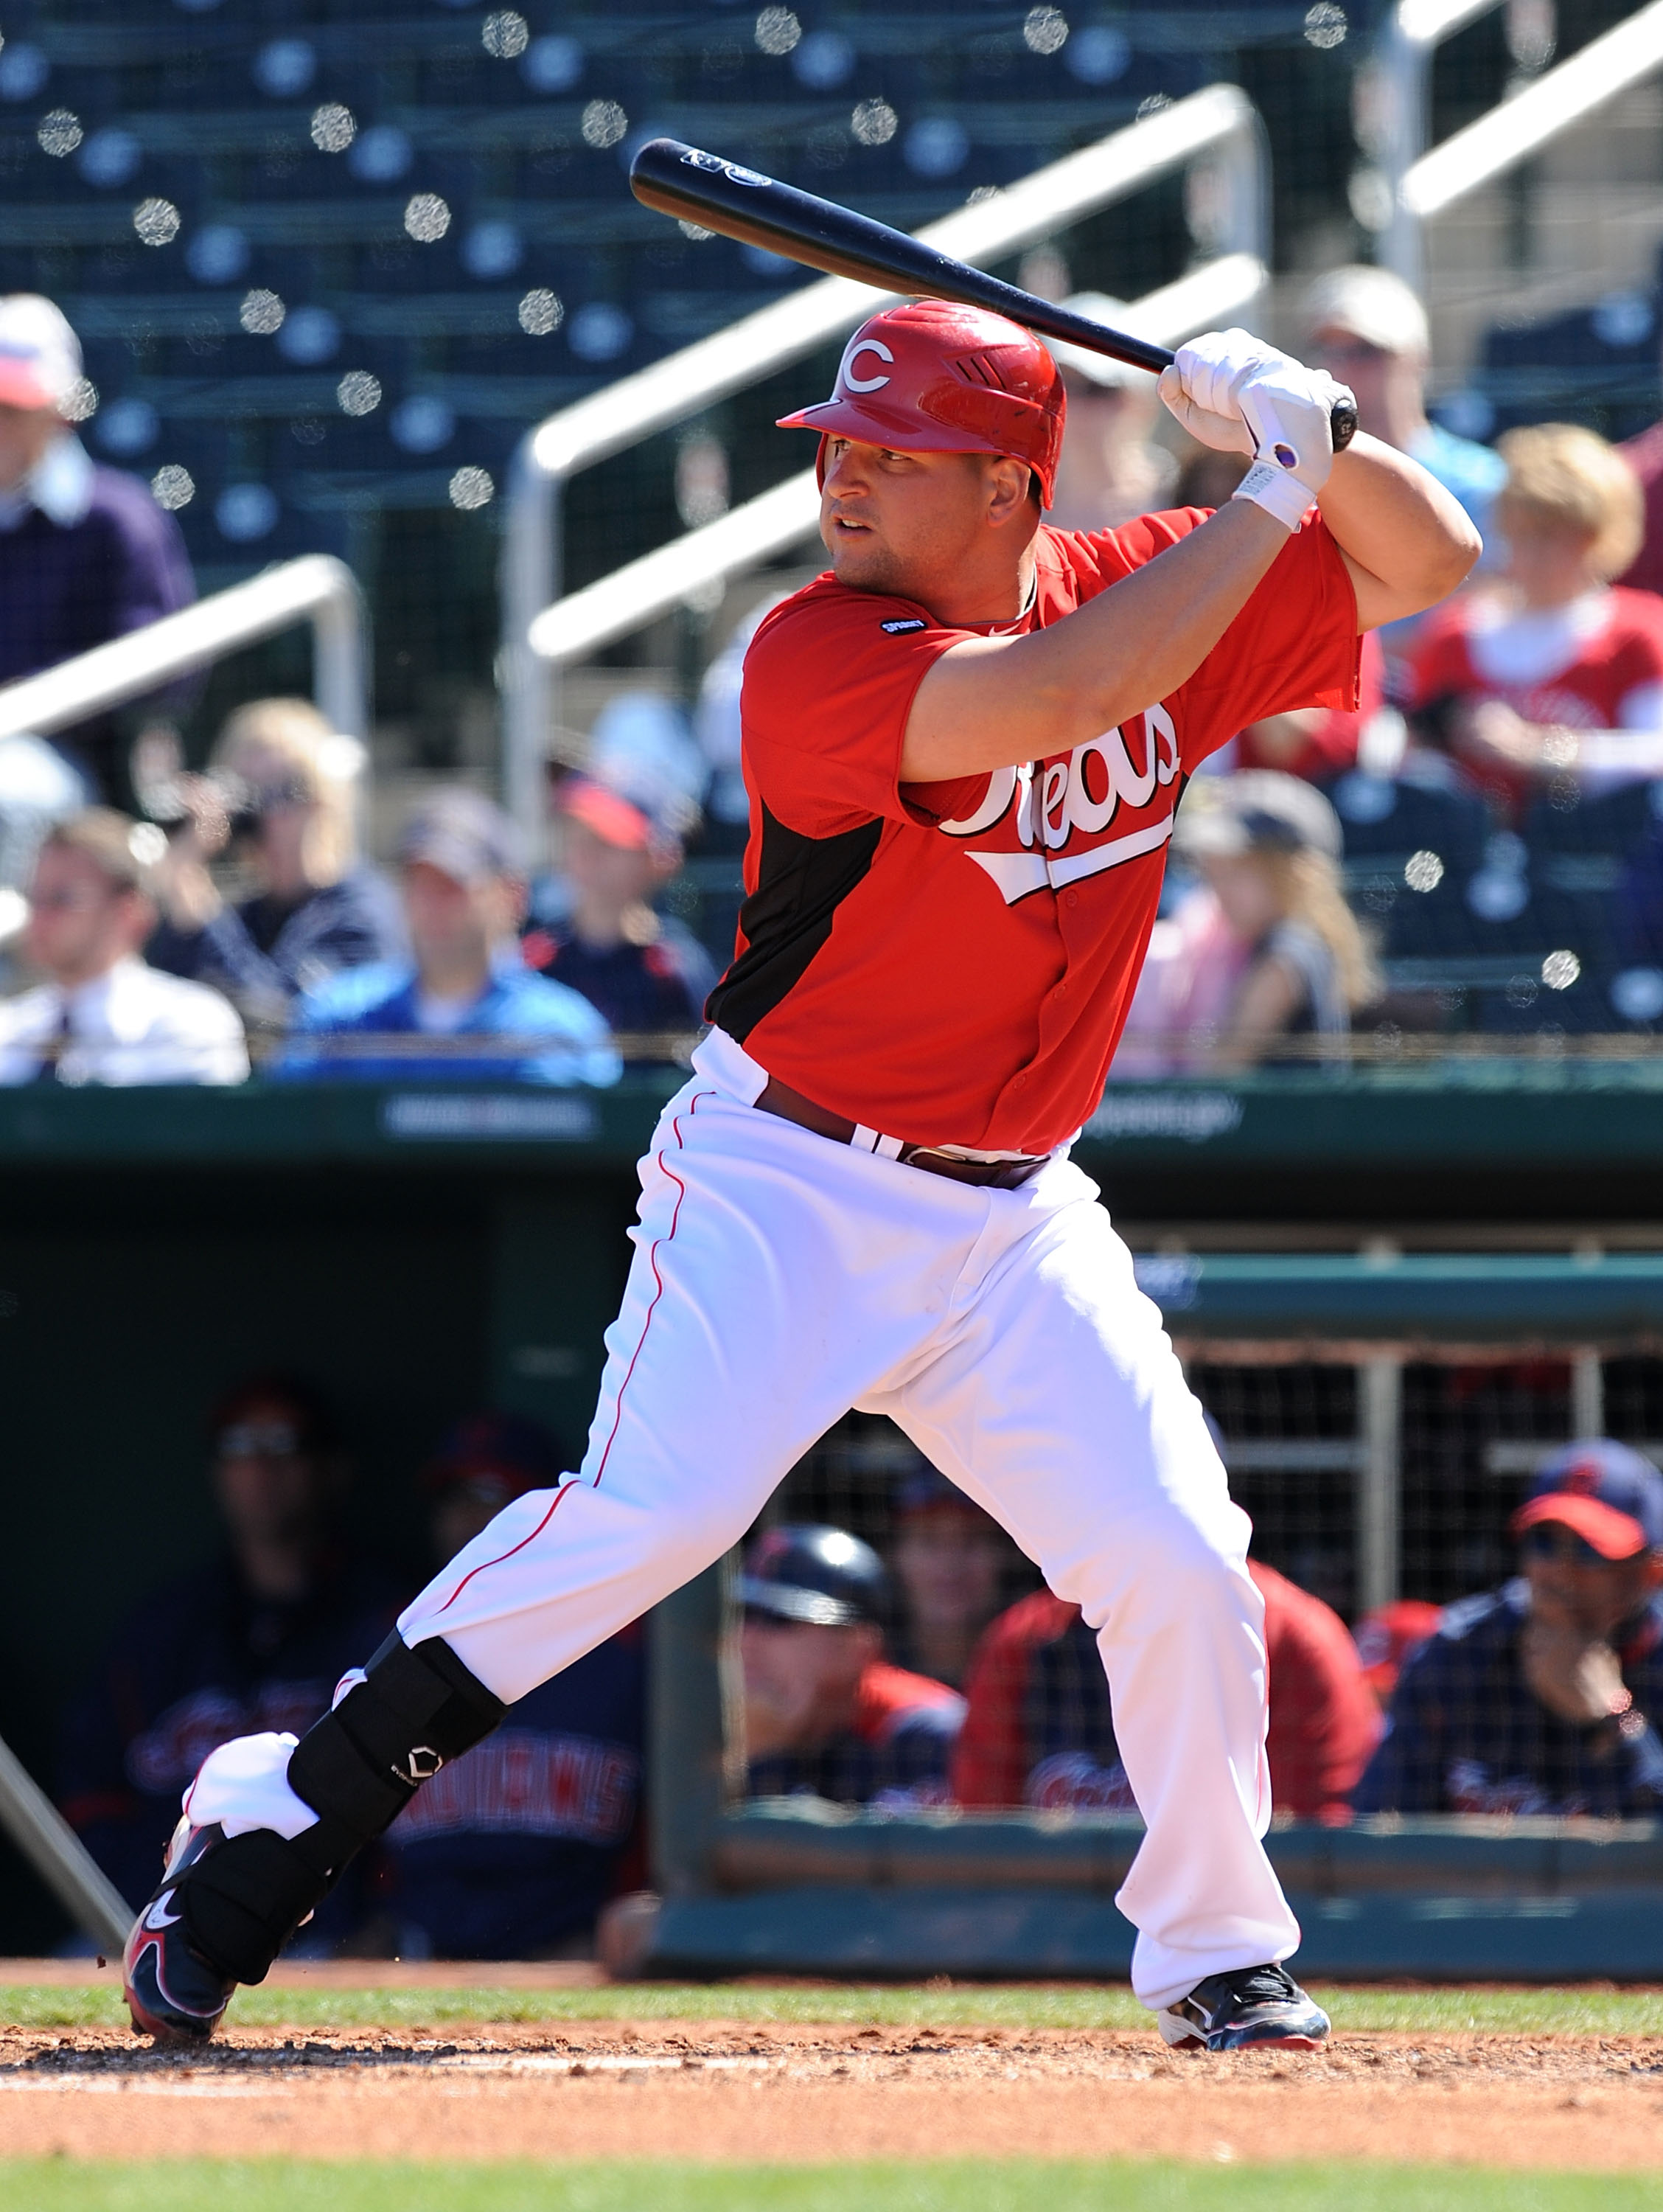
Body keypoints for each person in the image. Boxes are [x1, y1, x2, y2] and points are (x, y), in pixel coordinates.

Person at [122, 300, 1475, 2055]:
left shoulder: (1151, 575)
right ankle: (284, 1811)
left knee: (1173, 1552)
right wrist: (1271, 492)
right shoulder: (813, 651)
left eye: (891, 453)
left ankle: (1217, 1945)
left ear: (1011, 482)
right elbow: (1071, 693)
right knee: (652, 1522)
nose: (842, 477)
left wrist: (1317, 433)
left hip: (1010, 1209)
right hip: (790, 1176)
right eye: (836, 445)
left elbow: (1428, 558)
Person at [58, 1377, 405, 1938]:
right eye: (241, 1448)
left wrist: (383, 1916)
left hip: (328, 1940)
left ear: (333, 1468)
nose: (262, 1470)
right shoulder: (161, 1633)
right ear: (216, 1472)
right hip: (158, 1921)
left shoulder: (389, 1622)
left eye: (285, 1446)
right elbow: (93, 1791)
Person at [373, 1415, 645, 1960]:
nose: (467, 1519)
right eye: (455, 1497)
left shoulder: (624, 1648)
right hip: (415, 1956)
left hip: (579, 1953)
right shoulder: (390, 1646)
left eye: (492, 1496)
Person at [1354, 1443, 1663, 1817]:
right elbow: (1380, 1826)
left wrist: (1610, 1720)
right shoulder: (1457, 1653)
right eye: (1545, 1542)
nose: (1559, 1572)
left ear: (1647, 1571)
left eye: (1589, 1551)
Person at [953, 1559, 1379, 1823]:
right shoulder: (1023, 1642)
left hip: (1229, 1946)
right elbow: (984, 1838)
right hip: (1058, 1939)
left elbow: (1318, 1848)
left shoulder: (1292, 1636)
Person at [274, 788, 620, 1086]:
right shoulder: (339, 1016)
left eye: (451, 887)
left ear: (511, 897)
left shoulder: (559, 1031)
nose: (430, 905)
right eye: (417, 885)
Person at [1407, 423, 1663, 819]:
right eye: (1527, 533)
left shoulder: (1638, 632)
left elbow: (1655, 752)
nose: (1541, 553)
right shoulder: (1454, 634)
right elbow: (1412, 760)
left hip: (1593, 859)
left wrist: (1537, 750)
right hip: (1468, 860)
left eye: (1562, 536)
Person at [0, 295, 195, 804]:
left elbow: (164, 675)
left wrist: (30, 696)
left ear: (61, 411)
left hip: (82, 780)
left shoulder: (118, 518)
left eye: (13, 409)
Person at [147, 699, 405, 1029]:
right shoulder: (249, 916)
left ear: (321, 798)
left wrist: (198, 910)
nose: (263, 814)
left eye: (281, 792)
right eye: (248, 796)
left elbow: (284, 1021)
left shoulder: (361, 913)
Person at [1112, 773, 1376, 1074]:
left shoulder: (1286, 955)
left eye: (1237, 872)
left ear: (1293, 875)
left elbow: (1226, 1067)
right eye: (1215, 874)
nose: (1220, 892)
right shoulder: (1260, 945)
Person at [0, 809, 247, 1085]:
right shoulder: (11, 1030)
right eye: (36, 897)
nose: (40, 915)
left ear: (130, 912)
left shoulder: (188, 1026)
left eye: (63, 899)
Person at [740, 1525, 964, 1806]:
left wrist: (766, 1758)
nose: (747, 1640)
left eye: (777, 1620)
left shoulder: (928, 1735)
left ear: (858, 1647)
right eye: (742, 1615)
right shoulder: (731, 1721)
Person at [523, 726, 715, 1043]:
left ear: (658, 858)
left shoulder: (675, 972)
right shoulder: (533, 961)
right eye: (576, 834)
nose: (587, 853)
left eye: (608, 840)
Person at [1303, 265, 1505, 549]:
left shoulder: (1485, 485)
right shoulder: (1302, 484)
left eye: (1365, 351)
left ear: (1418, 360)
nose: (1342, 368)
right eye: (1328, 351)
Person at [1045, 294, 1177, 532]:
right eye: (1060, 387)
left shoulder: (1182, 494)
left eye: (1097, 389)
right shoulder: (1021, 506)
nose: (1075, 407)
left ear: (1140, 399)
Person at [888, 1466, 1015, 1690]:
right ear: (894, 1556)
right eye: (930, 1540)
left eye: (971, 1539)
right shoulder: (861, 1672)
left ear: (1006, 1555)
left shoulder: (1043, 1666)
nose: (951, 1563)